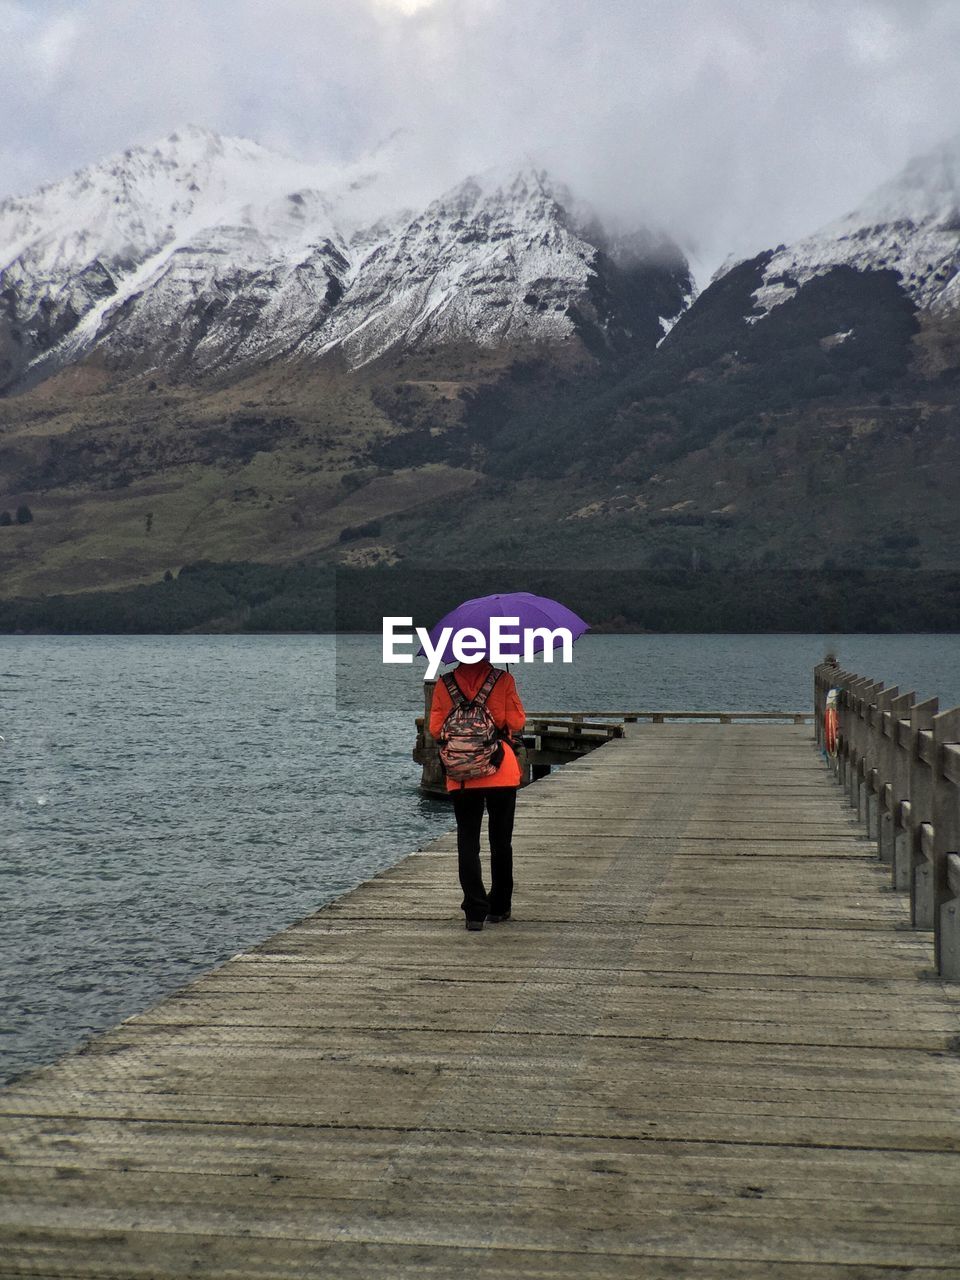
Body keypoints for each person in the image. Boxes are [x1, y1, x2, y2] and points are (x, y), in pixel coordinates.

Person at [428, 657, 526, 931]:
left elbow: (436, 729)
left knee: (468, 841)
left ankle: (474, 911)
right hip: (501, 771)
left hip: (461, 774)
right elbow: (517, 720)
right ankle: (499, 907)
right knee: (500, 840)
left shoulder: (444, 683)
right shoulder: (503, 679)